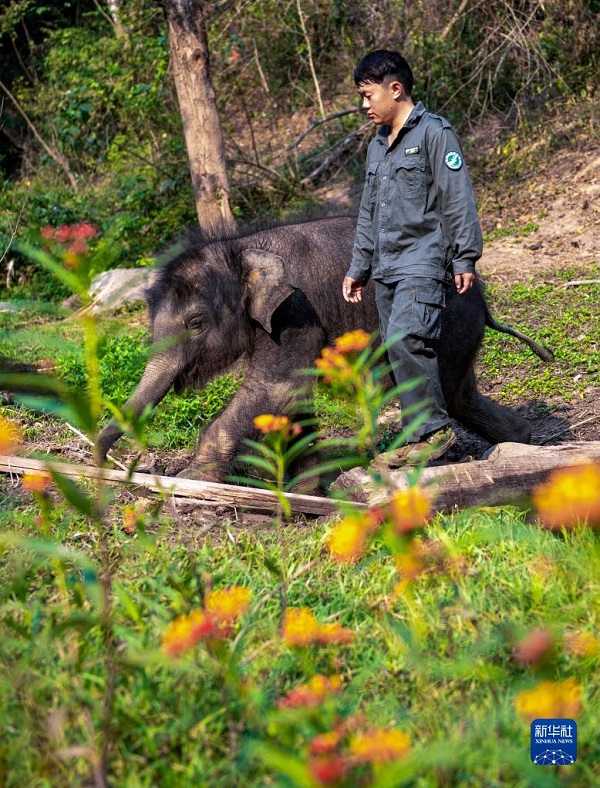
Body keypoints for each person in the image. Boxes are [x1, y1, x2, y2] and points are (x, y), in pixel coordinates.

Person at [343, 49, 483, 469]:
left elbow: (458, 200)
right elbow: (368, 213)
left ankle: (436, 431)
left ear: (395, 89)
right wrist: (358, 267)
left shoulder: (436, 135)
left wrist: (464, 257)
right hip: (386, 267)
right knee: (395, 348)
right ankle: (418, 434)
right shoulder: (376, 149)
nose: (365, 105)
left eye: (368, 95)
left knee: (408, 338)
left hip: (424, 262)